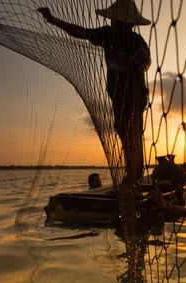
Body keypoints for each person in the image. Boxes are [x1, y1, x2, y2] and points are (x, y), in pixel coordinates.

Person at [37, 0, 151, 186]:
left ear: (130, 25)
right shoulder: (105, 34)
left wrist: (142, 61)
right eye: (116, 21)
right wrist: (53, 20)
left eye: (122, 22)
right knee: (122, 129)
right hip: (117, 92)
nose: (117, 25)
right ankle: (132, 173)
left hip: (135, 94)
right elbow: (81, 32)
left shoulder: (136, 41)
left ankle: (134, 176)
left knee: (133, 132)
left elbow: (146, 59)